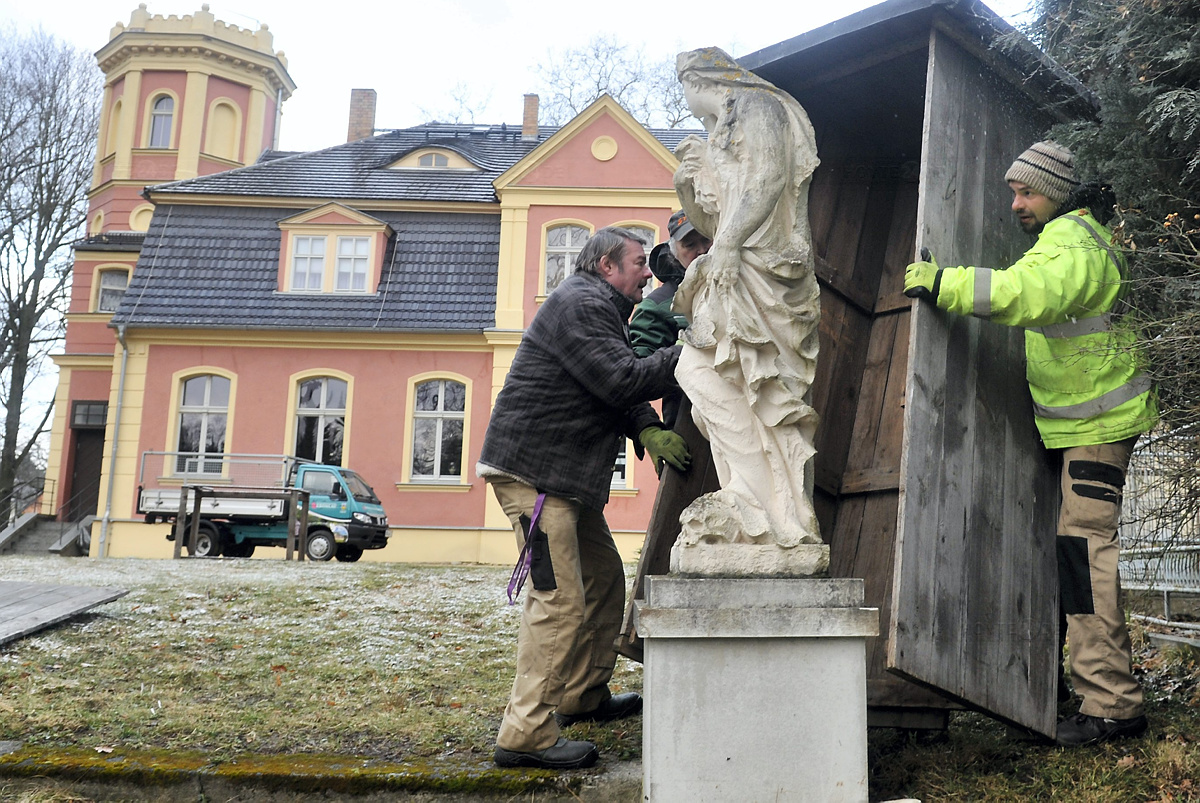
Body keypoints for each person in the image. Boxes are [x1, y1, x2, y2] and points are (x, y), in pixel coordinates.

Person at [904, 140, 1158, 747]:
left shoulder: (1070, 241)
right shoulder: (1077, 236)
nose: (1016, 203)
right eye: (1012, 192)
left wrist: (944, 283)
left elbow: (1025, 295)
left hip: (1097, 429)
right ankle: (1093, 691)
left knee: (1085, 557)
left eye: (1026, 191)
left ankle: (1114, 707)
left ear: (1057, 193)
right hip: (1082, 426)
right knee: (1077, 556)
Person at [478, 226, 691, 769]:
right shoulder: (580, 303)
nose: (649, 272)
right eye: (639, 263)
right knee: (559, 601)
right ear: (605, 266)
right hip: (537, 481)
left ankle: (580, 694)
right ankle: (525, 732)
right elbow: (621, 380)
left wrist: (644, 425)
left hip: (565, 485)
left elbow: (607, 385)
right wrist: (694, 348)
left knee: (602, 579)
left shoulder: (601, 308)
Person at [630, 209, 712, 430]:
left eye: (706, 239)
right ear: (674, 251)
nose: (702, 250)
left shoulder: (744, 288)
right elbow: (636, 377)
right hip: (689, 430)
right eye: (690, 245)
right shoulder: (658, 306)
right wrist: (648, 430)